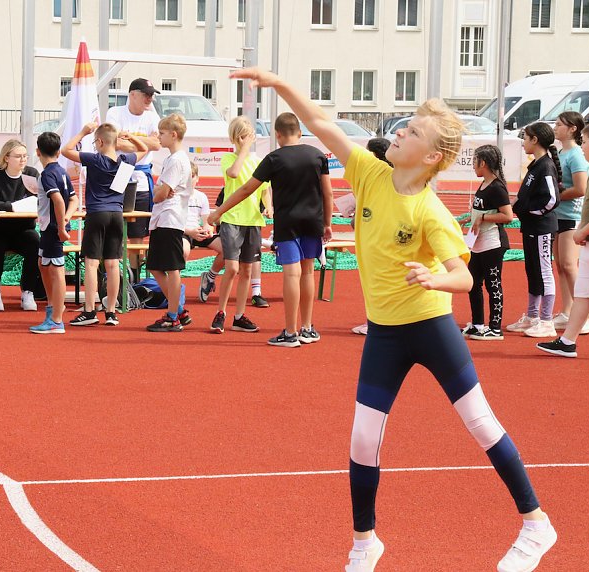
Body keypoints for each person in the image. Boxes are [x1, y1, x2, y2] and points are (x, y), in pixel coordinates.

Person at [229, 67, 556, 572]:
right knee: (362, 437)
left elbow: (462, 277)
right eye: (404, 124)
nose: (400, 130)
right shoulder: (368, 171)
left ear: (430, 157)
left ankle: (535, 523)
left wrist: (434, 282)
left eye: (412, 130)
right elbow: (318, 119)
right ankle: (365, 543)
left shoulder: (430, 212)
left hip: (431, 328)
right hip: (384, 333)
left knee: (479, 423)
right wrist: (279, 82)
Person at [209, 112, 332, 347]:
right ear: (299, 131)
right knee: (308, 272)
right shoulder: (318, 156)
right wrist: (327, 223)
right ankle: (307, 327)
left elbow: (246, 190)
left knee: (291, 274)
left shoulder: (273, 159)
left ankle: (290, 332)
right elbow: (328, 192)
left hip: (288, 223)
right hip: (313, 221)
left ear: (277, 135)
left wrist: (218, 211)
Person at [537, 121, 589, 361]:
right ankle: (567, 342)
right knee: (583, 293)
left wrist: (581, 232)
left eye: (585, 142)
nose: (583, 147)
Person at [61, 122, 147, 325]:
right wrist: (130, 138)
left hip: (97, 213)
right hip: (116, 214)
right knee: (113, 263)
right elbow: (144, 149)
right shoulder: (125, 160)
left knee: (91, 263)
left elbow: (66, 150)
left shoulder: (94, 159)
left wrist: (82, 132)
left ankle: (90, 310)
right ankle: (111, 311)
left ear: (99, 141)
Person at [208, 116, 271, 334]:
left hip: (252, 220)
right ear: (235, 138)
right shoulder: (229, 158)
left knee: (246, 269)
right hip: (232, 219)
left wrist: (268, 205)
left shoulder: (257, 161)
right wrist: (243, 149)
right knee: (232, 267)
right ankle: (221, 312)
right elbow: (234, 173)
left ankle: (239, 315)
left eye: (248, 136)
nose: (246, 140)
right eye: (242, 136)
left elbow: (264, 188)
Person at [505, 122, 561, 338]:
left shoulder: (545, 166)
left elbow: (552, 199)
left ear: (535, 140)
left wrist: (531, 212)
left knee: (545, 272)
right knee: (532, 270)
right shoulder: (535, 165)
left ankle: (547, 321)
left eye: (525, 138)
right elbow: (525, 196)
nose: (522, 143)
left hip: (542, 228)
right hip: (530, 227)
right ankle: (532, 316)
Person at [106, 78, 162, 278]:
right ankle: (117, 275)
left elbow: (156, 145)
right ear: (132, 95)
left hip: (142, 176)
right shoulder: (115, 113)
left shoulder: (152, 116)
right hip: (121, 172)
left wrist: (130, 140)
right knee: (115, 227)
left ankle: (136, 277)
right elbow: (115, 143)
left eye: (151, 95)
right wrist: (143, 143)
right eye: (146, 94)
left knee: (138, 233)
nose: (149, 98)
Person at [144, 113, 193, 332]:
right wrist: (160, 191)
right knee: (155, 266)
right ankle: (178, 309)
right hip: (166, 219)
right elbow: (163, 191)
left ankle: (174, 314)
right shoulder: (175, 159)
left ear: (173, 135)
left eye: (162, 133)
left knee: (171, 268)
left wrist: (158, 191)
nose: (159, 137)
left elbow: (161, 193)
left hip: (169, 219)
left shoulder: (176, 160)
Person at [0, 139, 43, 312]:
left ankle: (28, 291)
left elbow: (40, 200)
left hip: (23, 228)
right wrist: (11, 206)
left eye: (25, 156)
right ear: (6, 158)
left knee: (35, 242)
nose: (23, 160)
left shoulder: (32, 174)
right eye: (18, 156)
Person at [462, 145, 513, 341]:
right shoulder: (483, 184)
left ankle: (495, 327)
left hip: (493, 244)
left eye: (474, 162)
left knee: (493, 285)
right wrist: (469, 218)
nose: (473, 166)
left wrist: (483, 219)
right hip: (478, 243)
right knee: (473, 284)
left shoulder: (497, 187)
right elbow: (481, 211)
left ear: (482, 163)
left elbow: (507, 216)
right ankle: (477, 325)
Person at [29, 132, 79, 334]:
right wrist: (66, 218)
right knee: (44, 265)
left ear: (37, 152)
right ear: (59, 152)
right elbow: (74, 200)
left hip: (52, 228)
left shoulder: (48, 174)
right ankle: (53, 308)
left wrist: (60, 226)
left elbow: (58, 200)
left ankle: (57, 319)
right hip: (51, 226)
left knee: (56, 271)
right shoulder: (62, 172)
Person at [551, 111, 589, 335]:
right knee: (561, 267)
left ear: (572, 129)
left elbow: (581, 189)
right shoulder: (559, 152)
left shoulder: (576, 155)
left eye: (559, 125)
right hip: (558, 214)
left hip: (572, 215)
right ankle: (567, 311)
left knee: (569, 264)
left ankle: (582, 316)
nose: (555, 128)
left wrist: (553, 196)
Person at [350, 138, 392, 336]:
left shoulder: (374, 177)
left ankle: (376, 323)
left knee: (376, 283)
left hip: (377, 239)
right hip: (386, 238)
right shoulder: (394, 176)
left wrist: (355, 216)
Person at [187, 162, 225, 302]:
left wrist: (207, 230)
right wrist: (190, 232)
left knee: (227, 249)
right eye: (186, 177)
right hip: (183, 232)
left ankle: (210, 277)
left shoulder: (201, 196)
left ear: (197, 178)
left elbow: (207, 221)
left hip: (198, 232)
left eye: (192, 176)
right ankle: (174, 288)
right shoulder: (177, 196)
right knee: (183, 251)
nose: (189, 180)